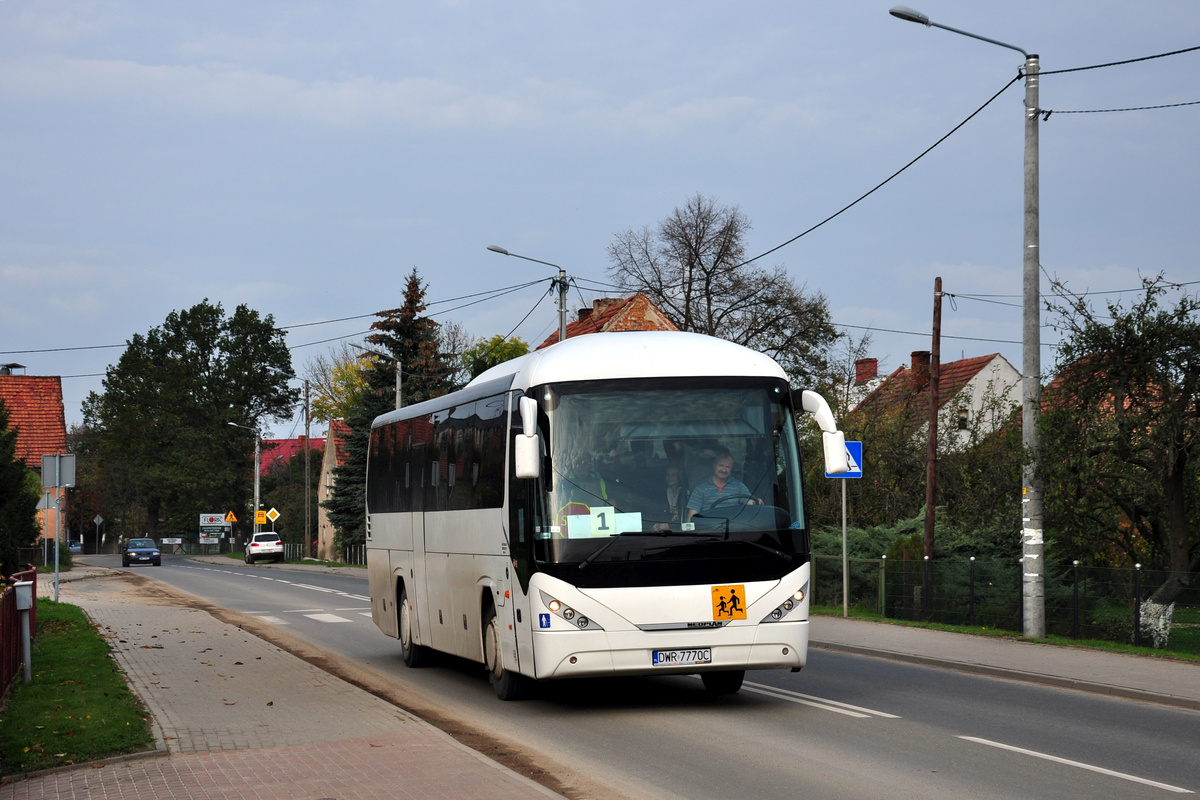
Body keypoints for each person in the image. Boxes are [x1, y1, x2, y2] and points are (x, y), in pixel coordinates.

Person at [686, 447, 761, 522]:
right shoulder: (701, 488)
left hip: (734, 527)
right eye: (721, 465)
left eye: (727, 467)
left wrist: (757, 502)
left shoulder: (738, 486)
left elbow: (750, 503)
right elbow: (692, 517)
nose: (724, 470)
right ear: (714, 465)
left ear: (731, 468)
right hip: (708, 528)